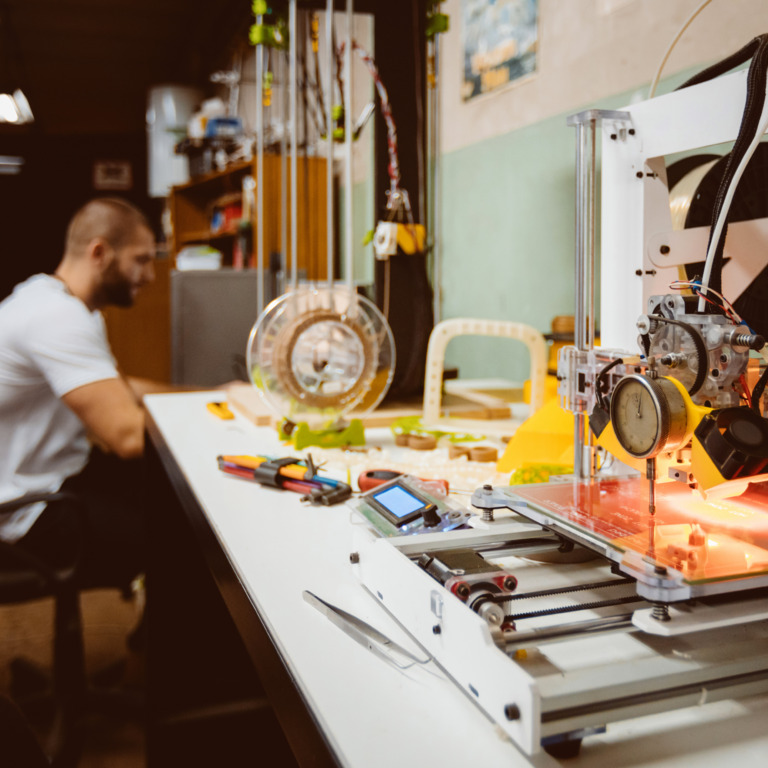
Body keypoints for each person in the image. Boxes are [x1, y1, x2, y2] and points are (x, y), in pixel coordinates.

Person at [0, 197, 158, 590]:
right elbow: (126, 436)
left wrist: (207, 395)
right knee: (186, 534)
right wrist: (211, 424)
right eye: (141, 259)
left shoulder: (52, 299)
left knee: (163, 493)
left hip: (52, 478)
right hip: (21, 513)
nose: (151, 275)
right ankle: (158, 646)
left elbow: (120, 387)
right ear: (100, 253)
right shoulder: (57, 318)